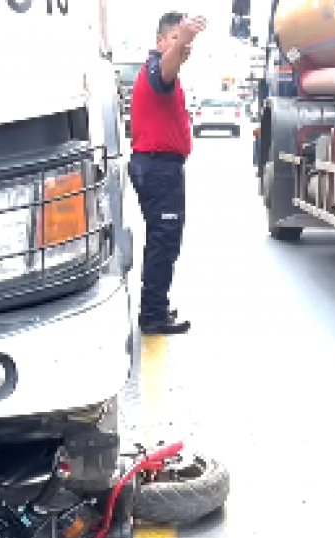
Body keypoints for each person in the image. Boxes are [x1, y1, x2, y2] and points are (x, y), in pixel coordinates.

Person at [128, 12, 207, 335]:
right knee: (164, 242)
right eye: (175, 39)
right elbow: (166, 69)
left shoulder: (160, 73)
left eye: (185, 41)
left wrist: (184, 41)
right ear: (160, 42)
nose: (182, 46)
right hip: (158, 168)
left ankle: (155, 307)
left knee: (162, 241)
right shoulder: (157, 71)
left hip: (159, 167)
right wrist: (185, 38)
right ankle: (153, 316)